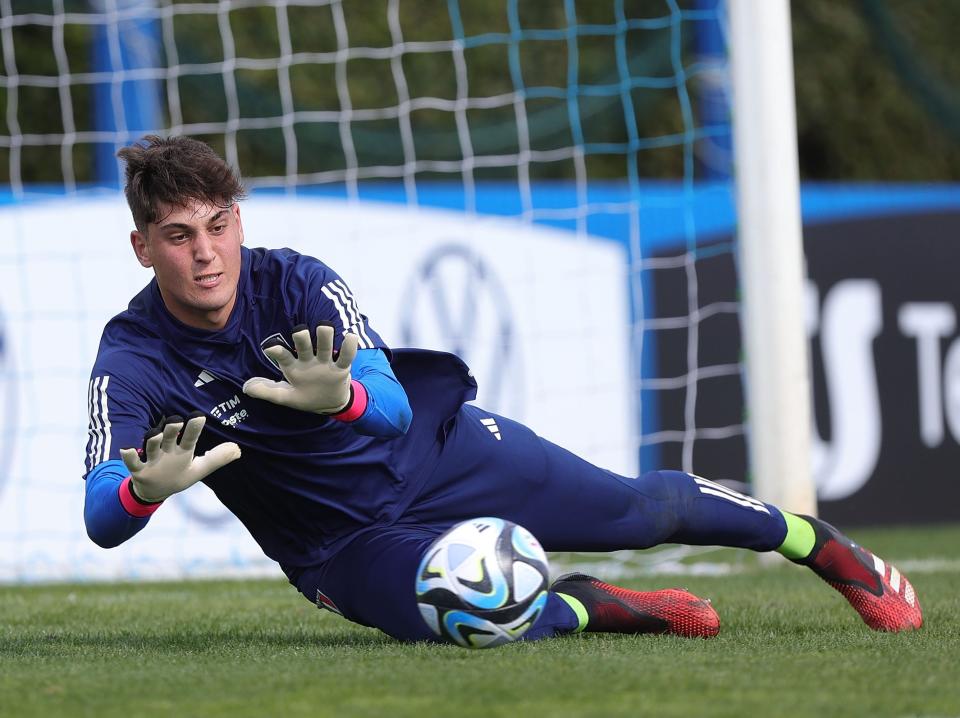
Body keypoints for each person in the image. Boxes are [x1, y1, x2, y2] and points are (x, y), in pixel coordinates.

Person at [83, 135, 921, 644]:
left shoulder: (298, 282)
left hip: (440, 456)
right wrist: (141, 493)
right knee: (470, 616)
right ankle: (593, 610)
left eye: (219, 225)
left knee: (640, 513)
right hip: (343, 546)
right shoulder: (132, 358)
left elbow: (394, 405)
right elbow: (100, 514)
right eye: (179, 235)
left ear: (240, 220)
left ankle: (823, 547)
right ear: (141, 247)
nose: (206, 253)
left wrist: (343, 399)